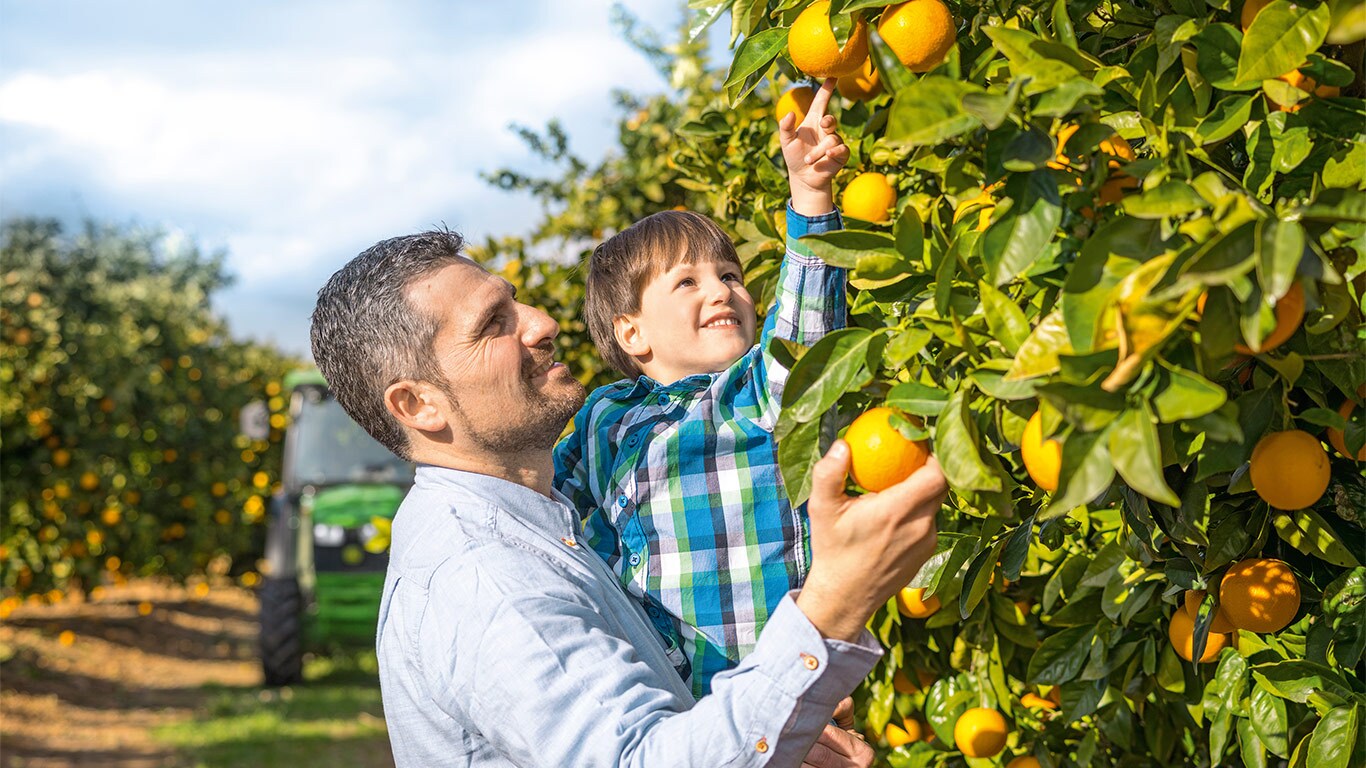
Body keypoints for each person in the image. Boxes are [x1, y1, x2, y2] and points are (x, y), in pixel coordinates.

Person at [309, 99, 945, 768]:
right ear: (418, 405)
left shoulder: (549, 518)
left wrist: (779, 715)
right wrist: (831, 609)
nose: (543, 320)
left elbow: (801, 347)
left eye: (515, 299)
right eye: (492, 323)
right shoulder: (490, 583)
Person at [554, 78, 851, 696]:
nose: (721, 291)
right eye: (686, 283)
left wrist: (811, 194)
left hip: (769, 690)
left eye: (730, 275)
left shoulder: (761, 392)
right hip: (654, 696)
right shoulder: (602, 418)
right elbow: (550, 508)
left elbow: (807, 323)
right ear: (631, 334)